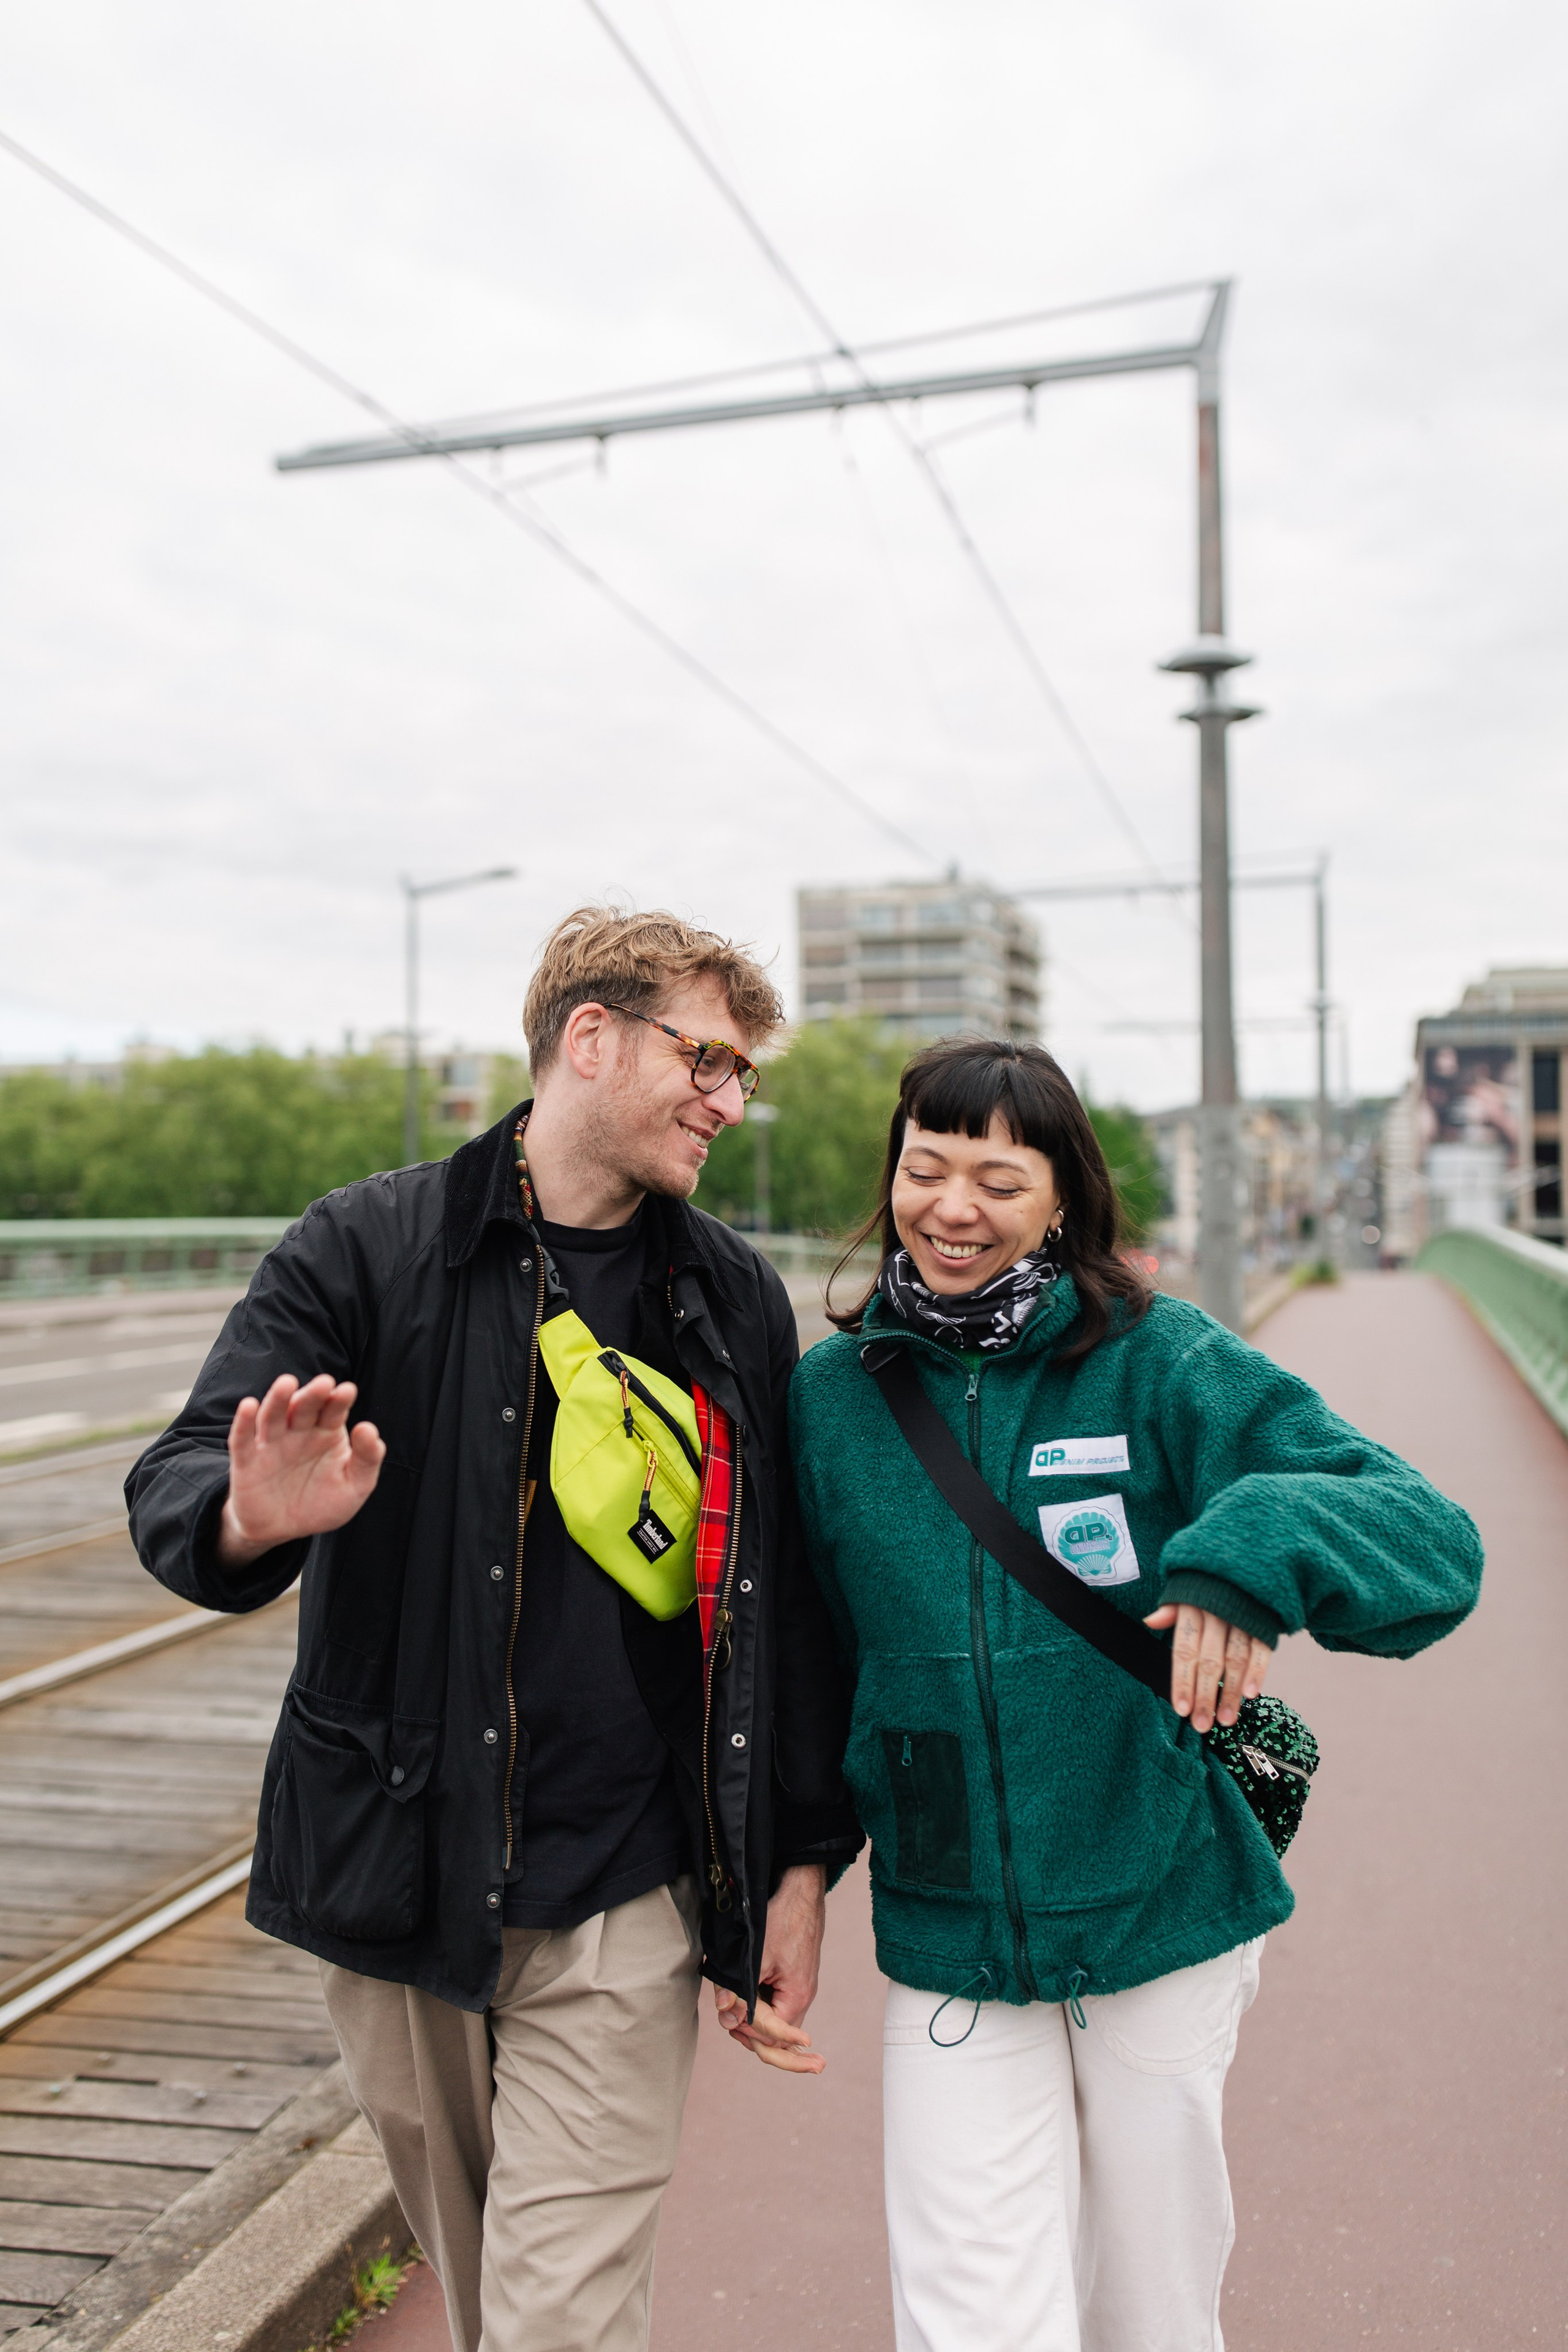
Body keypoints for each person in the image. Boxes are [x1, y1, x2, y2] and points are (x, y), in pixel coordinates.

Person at [127, 907, 862, 2352]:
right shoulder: (369, 1247)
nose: (727, 1101)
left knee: (555, 2327)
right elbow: (179, 1480)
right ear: (589, 1039)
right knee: (487, 2301)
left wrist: (797, 1859)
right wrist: (255, 1514)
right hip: (402, 1874)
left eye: (740, 1077)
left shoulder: (724, 1296)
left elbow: (785, 1602)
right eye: (705, 1060)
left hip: (628, 1894)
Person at [788, 1037, 1483, 2352]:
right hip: (950, 1920)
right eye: (924, 1169)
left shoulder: (1158, 1360)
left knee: (1147, 2310)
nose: (950, 1207)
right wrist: (787, 1870)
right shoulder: (831, 1400)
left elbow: (1430, 1542)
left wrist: (1239, 1558)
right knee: (968, 2315)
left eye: (996, 1179)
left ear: (1062, 1198)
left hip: (1158, 1895)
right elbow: (805, 1665)